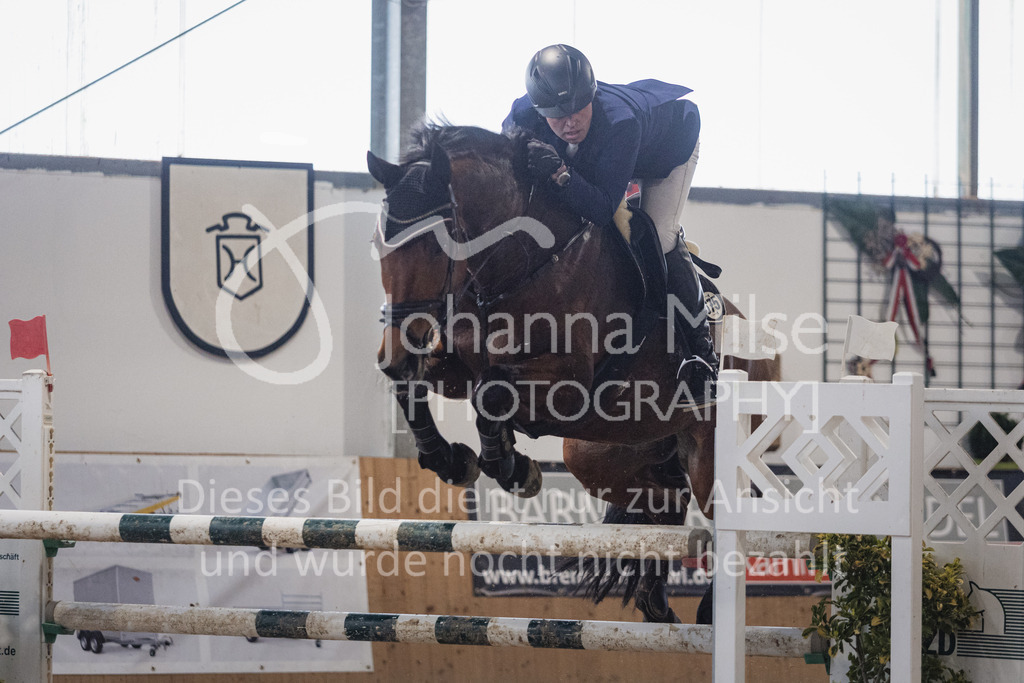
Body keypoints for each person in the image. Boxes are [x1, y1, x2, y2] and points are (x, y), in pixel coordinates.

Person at [502, 43, 717, 404]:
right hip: (612, 150)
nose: (569, 122)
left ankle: (701, 354)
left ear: (593, 93)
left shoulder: (620, 122)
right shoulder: (522, 115)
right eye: (557, 115)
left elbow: (602, 209)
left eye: (577, 110)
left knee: (658, 232)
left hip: (671, 145)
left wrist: (560, 171)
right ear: (538, 110)